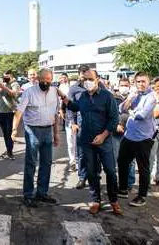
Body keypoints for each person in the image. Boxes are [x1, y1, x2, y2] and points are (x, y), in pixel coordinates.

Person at [62, 69, 123, 215]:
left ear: (97, 79)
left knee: (110, 171)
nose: (87, 82)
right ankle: (96, 200)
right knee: (91, 171)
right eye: (84, 79)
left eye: (90, 79)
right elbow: (75, 107)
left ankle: (113, 200)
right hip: (86, 140)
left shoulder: (107, 96)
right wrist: (63, 98)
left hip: (104, 140)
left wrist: (103, 135)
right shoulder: (82, 96)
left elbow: (114, 119)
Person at [12, 68, 60, 207]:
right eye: (43, 80)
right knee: (31, 163)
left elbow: (56, 114)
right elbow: (19, 112)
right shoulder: (29, 92)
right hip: (32, 130)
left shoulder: (54, 92)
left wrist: (56, 133)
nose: (46, 82)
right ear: (38, 79)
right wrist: (14, 130)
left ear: (51, 80)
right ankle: (28, 194)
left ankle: (42, 193)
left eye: (48, 80)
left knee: (47, 163)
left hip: (48, 131)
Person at [117, 72, 156, 207]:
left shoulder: (151, 97)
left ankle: (142, 196)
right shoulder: (135, 95)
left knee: (143, 167)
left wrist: (131, 112)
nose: (141, 84)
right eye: (138, 81)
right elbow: (121, 108)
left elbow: (142, 115)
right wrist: (130, 99)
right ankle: (122, 189)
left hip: (144, 137)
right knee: (122, 161)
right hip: (130, 135)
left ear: (148, 82)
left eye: (143, 81)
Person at [64, 65, 90, 188]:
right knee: (82, 152)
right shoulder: (74, 89)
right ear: (79, 74)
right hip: (81, 124)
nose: (84, 75)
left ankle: (94, 176)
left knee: (96, 153)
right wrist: (73, 123)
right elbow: (70, 107)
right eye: (82, 73)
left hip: (97, 125)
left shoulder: (99, 86)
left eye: (87, 73)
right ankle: (82, 177)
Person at [112, 77, 136, 190]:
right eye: (122, 85)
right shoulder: (113, 97)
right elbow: (112, 113)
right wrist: (117, 124)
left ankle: (129, 183)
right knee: (118, 158)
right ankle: (121, 182)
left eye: (126, 85)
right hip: (117, 133)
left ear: (129, 86)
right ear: (118, 85)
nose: (124, 87)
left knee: (130, 160)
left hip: (131, 133)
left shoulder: (135, 98)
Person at [0, 70, 20, 160]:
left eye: (7, 77)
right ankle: (8, 150)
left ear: (11, 76)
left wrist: (3, 87)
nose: (5, 78)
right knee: (5, 134)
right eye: (4, 77)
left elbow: (13, 93)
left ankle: (10, 152)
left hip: (10, 112)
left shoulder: (15, 84)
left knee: (9, 133)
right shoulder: (2, 84)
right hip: (1, 112)